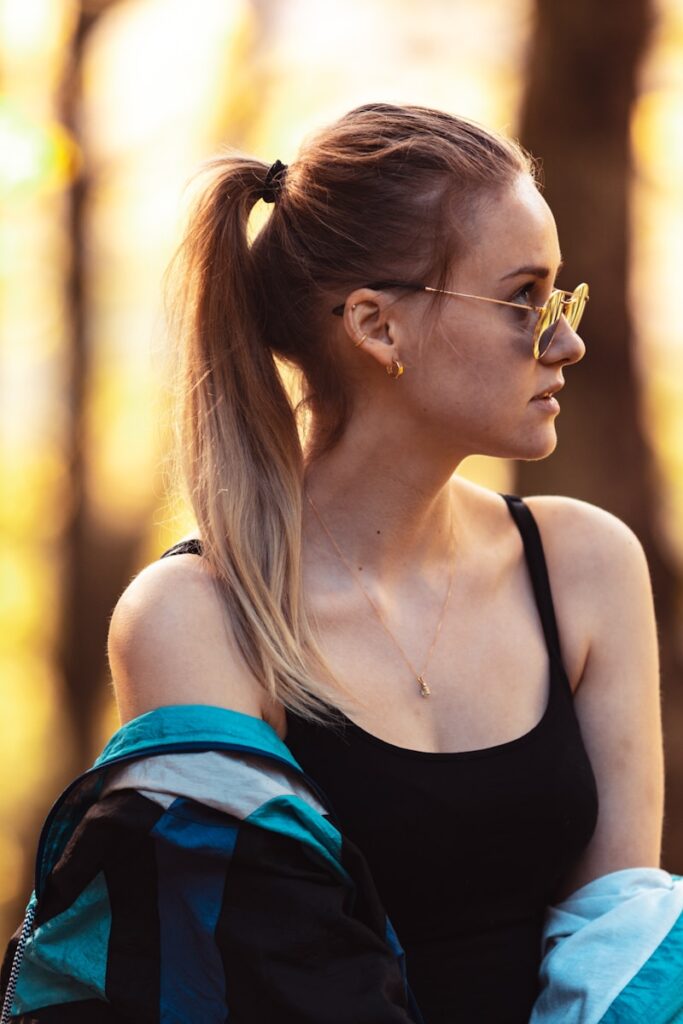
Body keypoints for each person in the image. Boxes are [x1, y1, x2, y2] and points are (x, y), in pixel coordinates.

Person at [0, 102, 672, 1024]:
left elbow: (624, 961)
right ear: (375, 326)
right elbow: (274, 988)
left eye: (561, 298)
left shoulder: (586, 565)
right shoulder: (197, 617)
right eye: (523, 298)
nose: (565, 341)